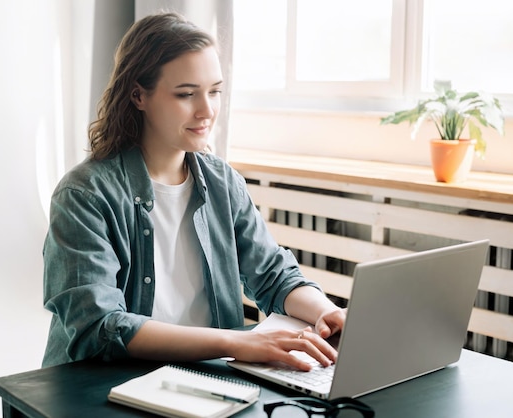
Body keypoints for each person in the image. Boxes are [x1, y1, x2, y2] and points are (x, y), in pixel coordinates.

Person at [41, 11, 346, 370]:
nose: (207, 110)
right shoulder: (84, 195)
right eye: (186, 94)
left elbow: (273, 274)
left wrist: (328, 311)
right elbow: (100, 327)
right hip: (104, 384)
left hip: (204, 378)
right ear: (138, 95)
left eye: (214, 91)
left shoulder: (222, 181)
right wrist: (240, 341)